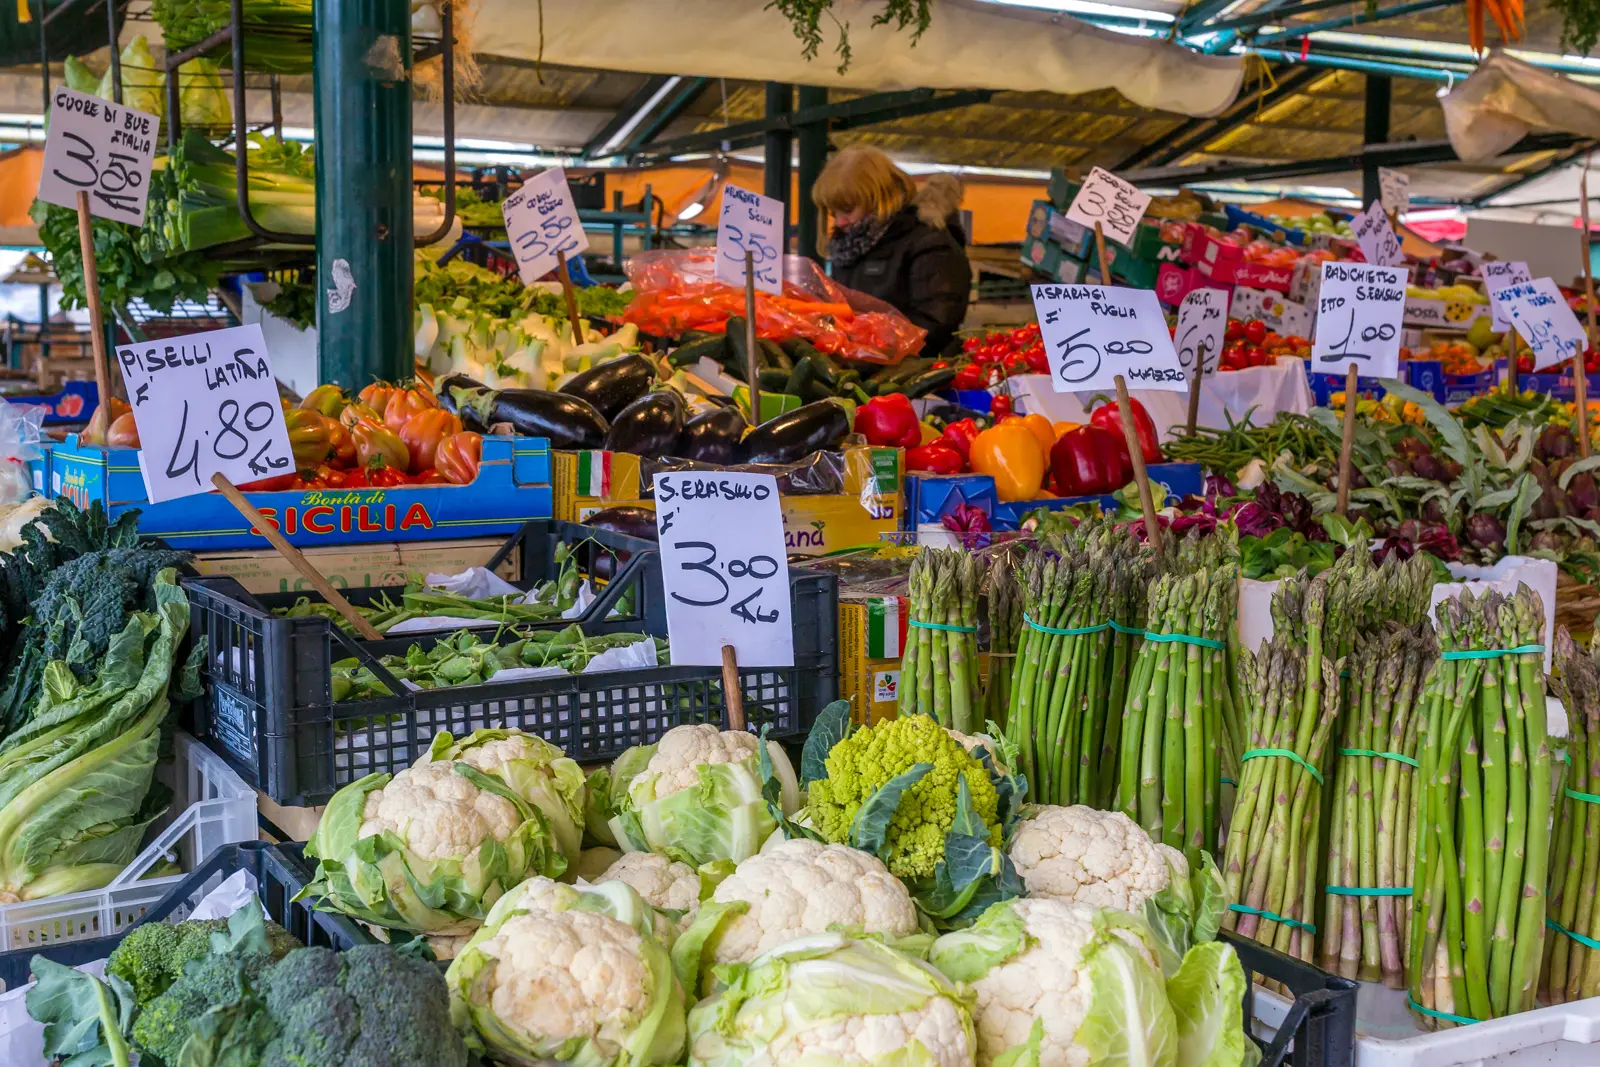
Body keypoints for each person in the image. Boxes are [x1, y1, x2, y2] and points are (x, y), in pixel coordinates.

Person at [812, 146, 972, 356]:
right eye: (834, 213)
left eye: (849, 209)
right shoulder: (850, 247)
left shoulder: (929, 244)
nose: (840, 222)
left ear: (879, 198)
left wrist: (867, 344)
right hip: (861, 367)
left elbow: (934, 324)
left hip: (914, 374)